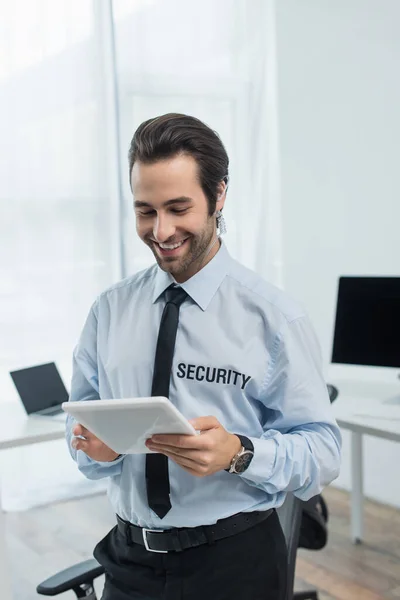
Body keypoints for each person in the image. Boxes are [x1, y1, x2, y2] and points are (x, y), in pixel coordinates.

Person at [66, 113, 341, 600]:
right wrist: (98, 449)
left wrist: (239, 453)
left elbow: (323, 451)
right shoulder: (108, 311)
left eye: (178, 207)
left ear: (219, 196)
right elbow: (81, 425)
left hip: (235, 563)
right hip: (130, 561)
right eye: (145, 211)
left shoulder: (274, 319)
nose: (162, 230)